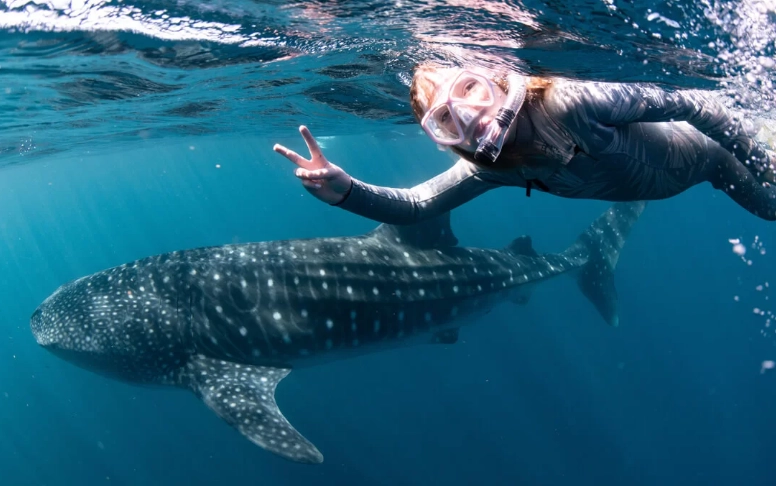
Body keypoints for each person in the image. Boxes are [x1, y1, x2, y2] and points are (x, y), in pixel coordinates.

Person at [273, 63, 776, 223]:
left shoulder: (571, 102)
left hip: (720, 148)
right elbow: (416, 207)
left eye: (470, 87)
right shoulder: (491, 168)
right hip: (703, 175)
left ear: (495, 76)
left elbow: (698, 107)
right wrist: (345, 190)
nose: (470, 113)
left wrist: (764, 161)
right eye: (446, 119)